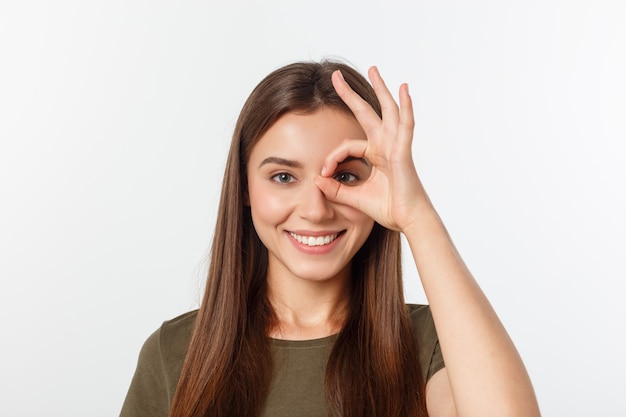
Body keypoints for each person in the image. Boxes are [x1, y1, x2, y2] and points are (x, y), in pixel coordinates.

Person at [120, 60, 541, 417]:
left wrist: (416, 216)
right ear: (245, 189)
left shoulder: (433, 345)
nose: (316, 209)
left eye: (344, 176)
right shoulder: (174, 354)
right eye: (283, 177)